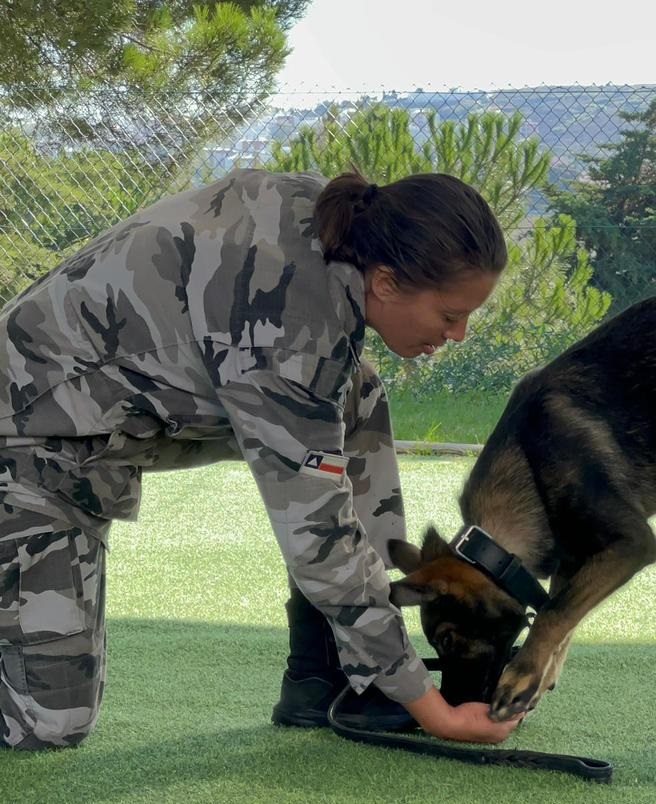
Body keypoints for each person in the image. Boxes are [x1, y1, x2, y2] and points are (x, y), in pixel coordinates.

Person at [0, 167, 523, 750]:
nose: (459, 334)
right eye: (450, 316)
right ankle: (378, 671)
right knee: (43, 727)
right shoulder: (289, 328)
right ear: (385, 282)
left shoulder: (339, 226)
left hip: (105, 419)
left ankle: (330, 679)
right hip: (27, 445)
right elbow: (319, 541)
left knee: (355, 390)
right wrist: (435, 712)